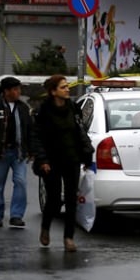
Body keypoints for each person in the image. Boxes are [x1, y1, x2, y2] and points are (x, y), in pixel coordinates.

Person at [31, 75, 94, 252]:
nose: (67, 89)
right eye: (63, 87)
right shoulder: (44, 111)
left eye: (67, 86)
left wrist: (87, 155)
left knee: (71, 199)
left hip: (72, 159)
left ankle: (69, 238)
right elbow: (37, 138)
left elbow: (81, 132)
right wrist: (42, 159)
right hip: (51, 162)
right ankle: (45, 227)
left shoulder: (73, 108)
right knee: (53, 199)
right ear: (53, 91)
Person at [0, 76, 35, 228]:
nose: (18, 92)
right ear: (6, 91)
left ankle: (16, 215)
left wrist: (31, 149)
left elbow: (30, 129)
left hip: (18, 152)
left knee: (21, 182)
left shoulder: (23, 108)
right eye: (15, 89)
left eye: (19, 89)